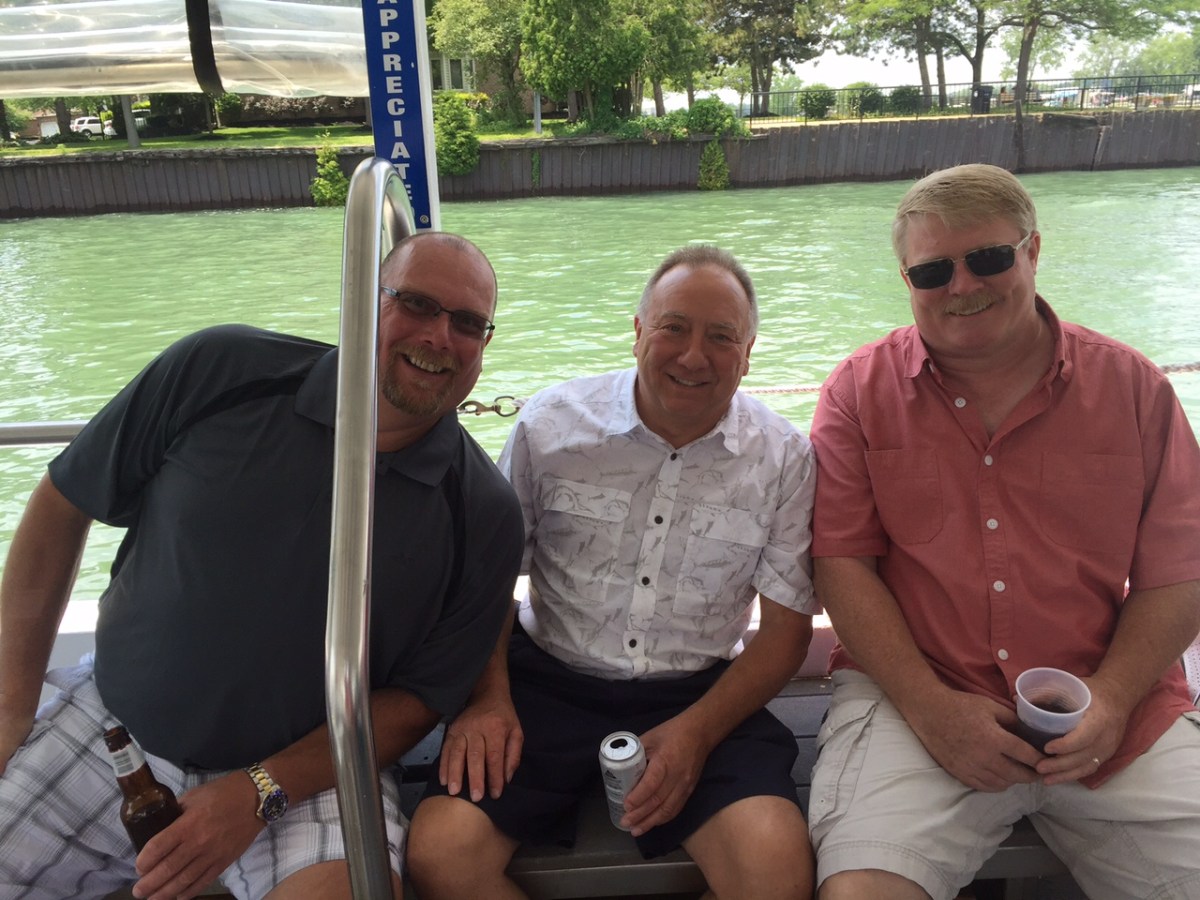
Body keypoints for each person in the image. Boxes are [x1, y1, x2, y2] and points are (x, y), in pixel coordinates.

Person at [0, 231, 524, 900]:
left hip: (310, 778)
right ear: (365, 302)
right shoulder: (221, 370)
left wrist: (259, 791)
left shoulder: (483, 511)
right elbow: (62, 504)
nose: (439, 336)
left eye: (468, 323)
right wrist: (12, 705)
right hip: (111, 724)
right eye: (417, 304)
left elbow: (418, 700)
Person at [808, 163, 1200, 900]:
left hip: (1114, 705)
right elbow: (842, 564)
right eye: (932, 270)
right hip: (916, 698)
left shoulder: (1136, 388)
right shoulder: (858, 392)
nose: (961, 286)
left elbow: (1180, 573)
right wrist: (930, 708)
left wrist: (1113, 700)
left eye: (988, 258)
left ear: (1033, 251)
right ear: (907, 278)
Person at [406, 244, 819, 900]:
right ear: (636, 332)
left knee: (777, 868)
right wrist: (487, 697)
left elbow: (785, 635)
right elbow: (485, 584)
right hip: (545, 683)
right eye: (673, 327)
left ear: (749, 351)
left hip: (701, 692)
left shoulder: (784, 459)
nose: (692, 356)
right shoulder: (551, 428)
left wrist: (697, 733)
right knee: (438, 853)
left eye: (720, 337)